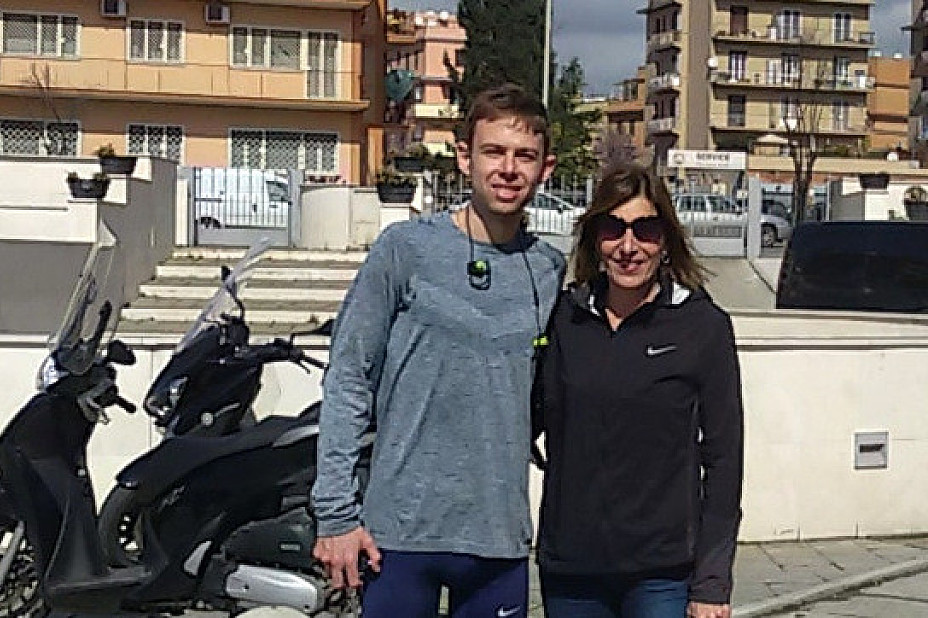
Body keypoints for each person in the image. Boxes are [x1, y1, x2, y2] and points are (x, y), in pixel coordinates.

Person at [311, 83, 566, 618]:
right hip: (399, 535)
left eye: (524, 156)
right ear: (464, 157)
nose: (508, 169)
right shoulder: (405, 250)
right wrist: (336, 514)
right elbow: (349, 377)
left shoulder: (549, 269)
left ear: (546, 168)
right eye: (494, 152)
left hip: (498, 539)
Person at [532, 162, 743, 618]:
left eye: (645, 230)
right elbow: (524, 419)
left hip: (662, 576)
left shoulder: (702, 326)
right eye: (614, 229)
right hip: (571, 571)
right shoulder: (564, 318)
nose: (628, 247)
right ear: (595, 238)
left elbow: (724, 461)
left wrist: (712, 583)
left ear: (664, 240)